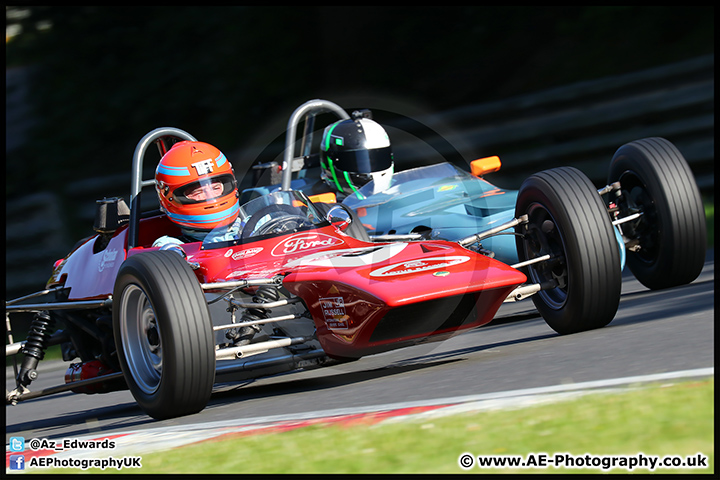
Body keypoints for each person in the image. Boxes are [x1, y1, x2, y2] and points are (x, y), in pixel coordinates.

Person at [153, 140, 241, 248]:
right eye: (198, 192)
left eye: (215, 188)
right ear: (170, 199)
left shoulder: (258, 225)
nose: (210, 195)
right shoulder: (171, 247)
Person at [319, 111, 395, 200]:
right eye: (358, 162)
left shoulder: (401, 189)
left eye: (377, 159)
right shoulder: (319, 205)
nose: (369, 172)